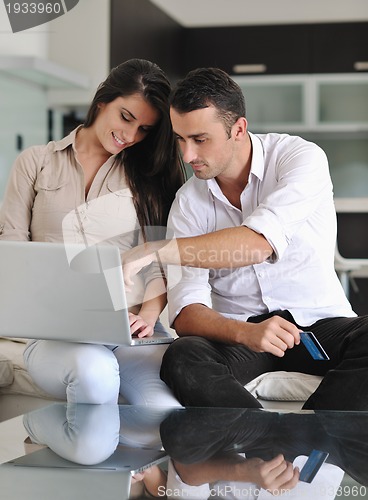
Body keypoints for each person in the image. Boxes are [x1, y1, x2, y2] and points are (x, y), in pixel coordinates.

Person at [122, 66, 368, 411]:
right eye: (181, 139)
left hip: (320, 325)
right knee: (183, 356)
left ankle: (313, 433)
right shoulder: (189, 202)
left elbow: (257, 244)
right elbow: (185, 312)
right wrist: (246, 333)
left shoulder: (299, 159)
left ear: (238, 129)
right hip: (241, 333)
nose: (188, 155)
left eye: (200, 139)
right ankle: (257, 436)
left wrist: (156, 250)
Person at [0, 58, 185, 406]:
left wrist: (146, 319)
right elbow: (11, 251)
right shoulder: (37, 162)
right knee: (93, 372)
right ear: (103, 100)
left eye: (144, 129)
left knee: (163, 413)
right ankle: (42, 430)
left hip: (128, 330)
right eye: (126, 117)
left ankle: (66, 435)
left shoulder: (145, 175)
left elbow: (159, 260)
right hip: (57, 331)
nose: (130, 136)